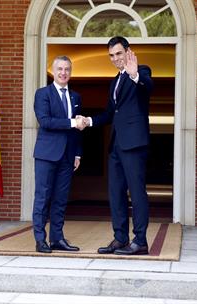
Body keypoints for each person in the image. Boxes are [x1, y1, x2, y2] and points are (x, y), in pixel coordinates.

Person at [79, 36, 153, 255]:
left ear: (128, 52)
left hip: (134, 144)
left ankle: (140, 241)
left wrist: (135, 74)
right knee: (116, 193)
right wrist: (89, 121)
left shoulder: (142, 71)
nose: (115, 59)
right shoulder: (114, 81)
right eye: (111, 55)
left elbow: (147, 87)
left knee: (137, 193)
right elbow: (111, 114)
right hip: (116, 146)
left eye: (119, 53)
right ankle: (120, 238)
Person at [32, 55, 85, 253]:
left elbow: (78, 129)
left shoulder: (75, 97)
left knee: (61, 199)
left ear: (71, 72)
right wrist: (72, 122)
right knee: (42, 197)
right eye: (60, 69)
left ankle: (57, 238)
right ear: (53, 71)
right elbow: (45, 121)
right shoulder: (43, 94)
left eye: (67, 69)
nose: (64, 73)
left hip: (68, 156)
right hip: (47, 155)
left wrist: (78, 154)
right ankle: (40, 240)